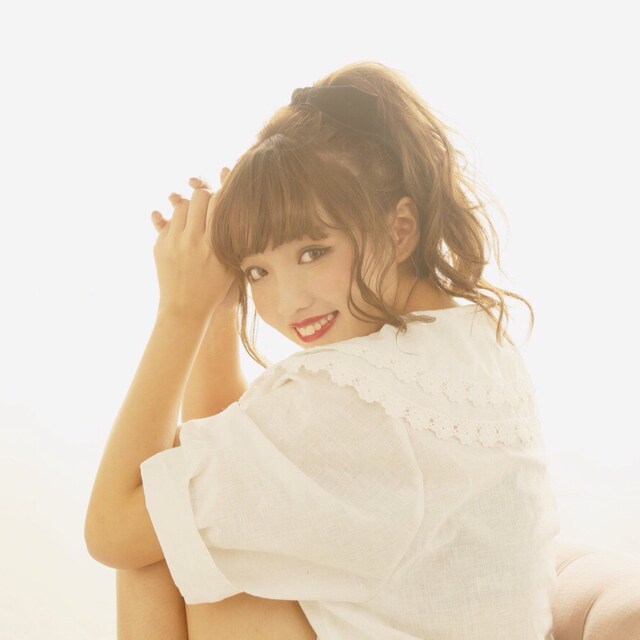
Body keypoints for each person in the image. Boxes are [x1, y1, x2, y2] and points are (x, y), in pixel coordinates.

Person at [85, 60, 561, 639]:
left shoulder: (347, 399)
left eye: (312, 252)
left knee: (156, 535)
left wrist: (181, 313)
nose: (289, 301)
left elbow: (110, 530)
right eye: (257, 270)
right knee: (184, 509)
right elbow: (233, 457)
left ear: (399, 229)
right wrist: (219, 312)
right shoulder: (476, 338)